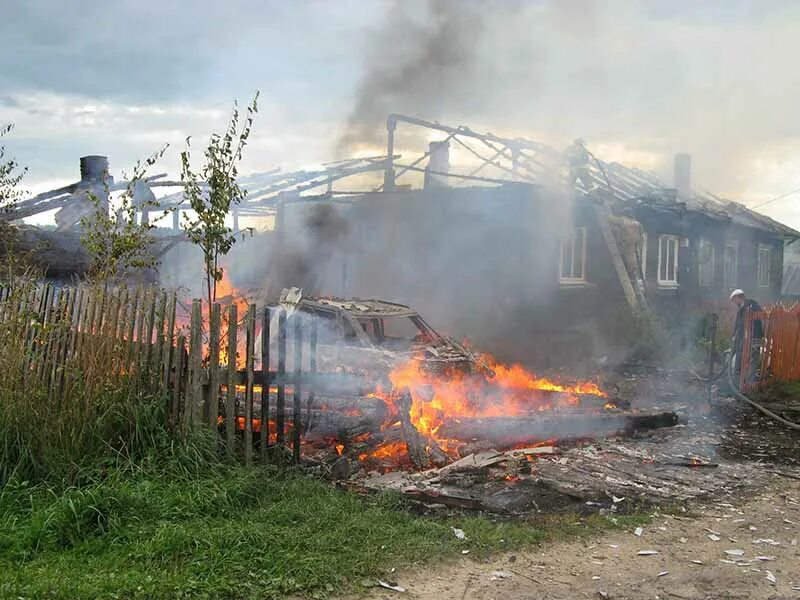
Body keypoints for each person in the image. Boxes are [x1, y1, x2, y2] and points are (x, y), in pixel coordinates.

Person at [730, 289, 763, 382]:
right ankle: (740, 378)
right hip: (744, 338)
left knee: (754, 358)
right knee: (741, 355)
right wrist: (734, 335)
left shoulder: (752, 305)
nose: (734, 302)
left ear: (739, 297)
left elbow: (759, 314)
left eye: (734, 300)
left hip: (755, 337)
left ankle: (750, 380)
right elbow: (738, 324)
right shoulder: (741, 309)